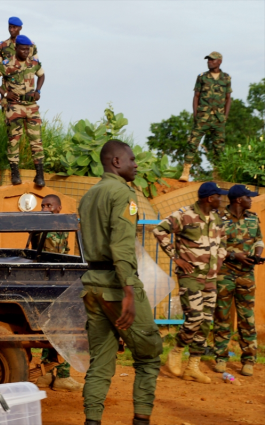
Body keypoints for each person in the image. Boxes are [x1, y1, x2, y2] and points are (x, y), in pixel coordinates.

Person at [79, 140, 162, 425]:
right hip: (116, 285)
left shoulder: (90, 194)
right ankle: (141, 421)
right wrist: (128, 287)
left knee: (100, 361)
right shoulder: (123, 193)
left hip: (92, 283)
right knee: (149, 355)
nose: (136, 164)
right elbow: (121, 243)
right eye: (132, 159)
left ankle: (92, 421)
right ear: (116, 161)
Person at [153, 181, 227, 384]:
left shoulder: (217, 219)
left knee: (205, 322)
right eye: (219, 196)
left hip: (210, 278)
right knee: (194, 318)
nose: (221, 199)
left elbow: (224, 242)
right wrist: (175, 257)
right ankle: (177, 350)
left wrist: (219, 259)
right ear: (209, 198)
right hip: (190, 276)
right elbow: (159, 230)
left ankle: (192, 367)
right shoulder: (183, 214)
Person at [33, 194, 83, 393]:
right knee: (64, 328)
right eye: (43, 205)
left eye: (49, 205)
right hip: (50, 282)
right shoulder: (45, 225)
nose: (45, 208)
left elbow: (64, 252)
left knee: (53, 327)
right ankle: (61, 376)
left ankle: (46, 375)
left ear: (58, 208)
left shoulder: (59, 226)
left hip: (54, 281)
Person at [214, 184, 263, 377]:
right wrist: (235, 256)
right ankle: (221, 358)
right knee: (222, 316)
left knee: (247, 318)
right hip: (224, 273)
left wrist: (257, 254)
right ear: (238, 200)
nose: (251, 200)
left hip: (246, 275)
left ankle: (248, 360)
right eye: (248, 197)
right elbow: (214, 245)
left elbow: (259, 240)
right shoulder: (219, 219)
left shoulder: (253, 218)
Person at [0, 35, 45, 187]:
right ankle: (15, 173)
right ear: (16, 48)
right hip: (15, 106)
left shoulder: (33, 62)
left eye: (28, 49)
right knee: (14, 140)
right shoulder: (7, 64)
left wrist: (38, 90)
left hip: (31, 105)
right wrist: (4, 93)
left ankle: (39, 174)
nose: (26, 52)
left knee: (36, 140)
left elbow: (42, 75)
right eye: (23, 49)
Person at [179, 51, 232, 182]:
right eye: (208, 60)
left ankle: (218, 175)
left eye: (212, 60)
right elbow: (196, 96)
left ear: (219, 61)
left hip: (218, 118)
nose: (209, 62)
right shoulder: (202, 77)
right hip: (203, 116)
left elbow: (228, 98)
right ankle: (186, 172)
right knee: (192, 142)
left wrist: (225, 116)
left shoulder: (226, 78)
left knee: (219, 147)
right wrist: (195, 115)